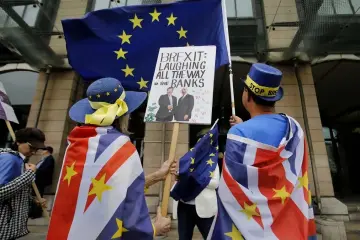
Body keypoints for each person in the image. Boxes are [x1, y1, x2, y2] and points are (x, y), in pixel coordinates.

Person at [47, 78, 172, 239]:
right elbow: (130, 212)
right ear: (123, 114)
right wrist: (155, 229)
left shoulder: (75, 144)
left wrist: (157, 176)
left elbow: (108, 189)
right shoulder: (122, 147)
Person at [207, 63, 316, 239]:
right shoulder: (295, 128)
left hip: (252, 230)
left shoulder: (238, 134)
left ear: (247, 96)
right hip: (291, 225)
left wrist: (241, 130)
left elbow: (233, 189)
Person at [0, 128, 47, 240]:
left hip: (8, 227)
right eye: (32, 147)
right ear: (19, 142)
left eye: (37, 148)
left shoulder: (19, 160)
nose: (34, 151)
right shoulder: (10, 159)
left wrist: (32, 199)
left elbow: (15, 191)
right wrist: (29, 174)